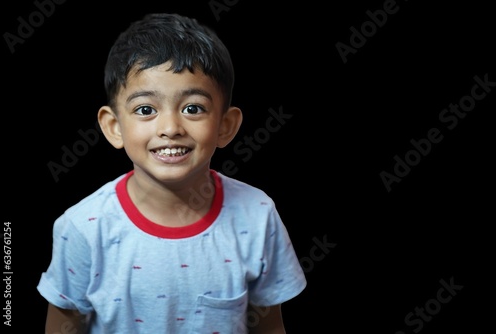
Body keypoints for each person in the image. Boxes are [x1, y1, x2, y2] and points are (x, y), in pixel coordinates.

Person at [37, 12, 307, 333]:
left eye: (193, 108)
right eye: (145, 110)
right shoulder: (82, 228)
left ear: (225, 125)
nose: (170, 128)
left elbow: (270, 325)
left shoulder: (257, 216)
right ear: (114, 127)